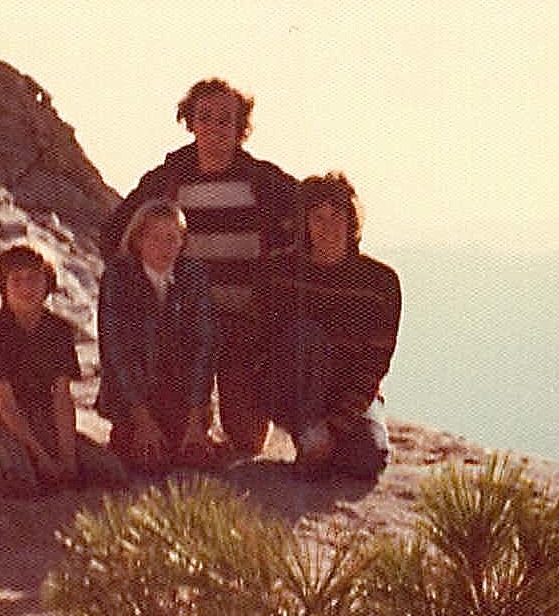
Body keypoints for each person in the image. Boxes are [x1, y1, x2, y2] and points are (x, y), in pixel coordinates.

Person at [102, 78, 298, 455]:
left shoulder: (264, 181)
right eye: (204, 117)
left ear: (241, 127)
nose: (215, 127)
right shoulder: (167, 180)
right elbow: (116, 233)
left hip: (246, 327)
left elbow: (313, 219)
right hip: (180, 328)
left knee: (247, 442)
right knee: (167, 441)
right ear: (189, 122)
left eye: (226, 119)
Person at [256, 173, 401, 479]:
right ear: (304, 224)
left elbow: (375, 364)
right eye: (318, 218)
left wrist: (336, 426)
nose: (328, 228)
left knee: (368, 460)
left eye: (337, 217)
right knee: (305, 336)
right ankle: (309, 437)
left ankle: (323, 445)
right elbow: (261, 343)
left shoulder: (380, 283)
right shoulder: (279, 272)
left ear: (352, 221)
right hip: (292, 387)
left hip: (348, 393)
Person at [0, 244, 126, 494]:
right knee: (22, 480)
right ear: (4, 286)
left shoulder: (59, 331)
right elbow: (6, 407)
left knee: (110, 471)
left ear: (48, 283)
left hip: (42, 414)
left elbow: (62, 397)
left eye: (34, 279)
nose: (26, 288)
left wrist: (68, 458)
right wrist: (42, 458)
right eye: (16, 280)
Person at [96, 199, 219, 474]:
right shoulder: (118, 277)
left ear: (182, 241)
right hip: (134, 396)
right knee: (146, 463)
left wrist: (196, 418)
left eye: (171, 238)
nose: (164, 247)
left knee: (197, 462)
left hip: (182, 396)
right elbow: (117, 351)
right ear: (138, 240)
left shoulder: (194, 276)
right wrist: (142, 419)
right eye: (154, 237)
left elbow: (204, 346)